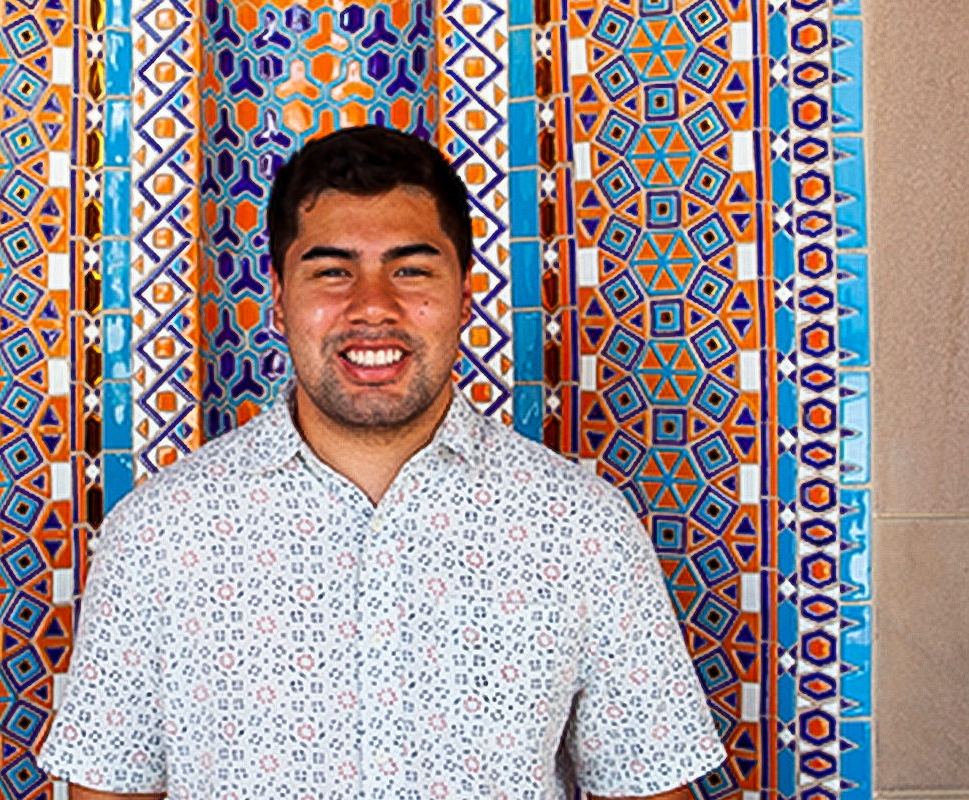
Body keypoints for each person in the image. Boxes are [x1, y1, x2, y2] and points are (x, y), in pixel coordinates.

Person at [37, 125, 724, 800]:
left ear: (465, 293)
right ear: (279, 298)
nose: (372, 307)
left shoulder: (584, 530)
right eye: (333, 271)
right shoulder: (158, 535)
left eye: (412, 270)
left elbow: (645, 783)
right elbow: (111, 785)